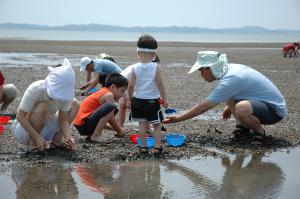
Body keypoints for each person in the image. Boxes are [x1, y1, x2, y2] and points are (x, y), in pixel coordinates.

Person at [163, 51, 287, 144]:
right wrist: (229, 107)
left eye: (201, 70)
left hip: (274, 110)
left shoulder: (231, 77)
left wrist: (178, 119)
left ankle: (259, 132)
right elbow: (244, 90)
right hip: (261, 104)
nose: (201, 75)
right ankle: (243, 126)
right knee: (229, 97)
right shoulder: (228, 69)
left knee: (241, 108)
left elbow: (204, 106)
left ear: (209, 67)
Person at [12, 59, 79, 151]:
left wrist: (68, 136)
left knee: (74, 104)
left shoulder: (65, 93)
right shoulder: (36, 88)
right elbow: (20, 117)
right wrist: (37, 137)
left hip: (46, 129)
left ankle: (57, 140)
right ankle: (34, 144)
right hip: (25, 131)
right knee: (42, 106)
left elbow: (63, 120)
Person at [127, 34, 168, 155]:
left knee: (142, 124)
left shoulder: (134, 68)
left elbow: (130, 86)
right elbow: (160, 84)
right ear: (154, 54)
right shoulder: (156, 67)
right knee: (156, 125)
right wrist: (164, 99)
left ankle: (143, 147)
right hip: (152, 101)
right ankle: (157, 147)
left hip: (138, 100)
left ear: (138, 53)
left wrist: (129, 100)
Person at [73, 73, 127, 143]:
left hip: (82, 126)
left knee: (112, 109)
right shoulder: (109, 95)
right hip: (83, 125)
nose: (122, 95)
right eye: (122, 91)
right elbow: (110, 116)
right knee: (110, 107)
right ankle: (95, 136)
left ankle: (91, 135)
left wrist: (117, 129)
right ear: (113, 87)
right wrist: (119, 130)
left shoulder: (103, 91)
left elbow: (103, 118)